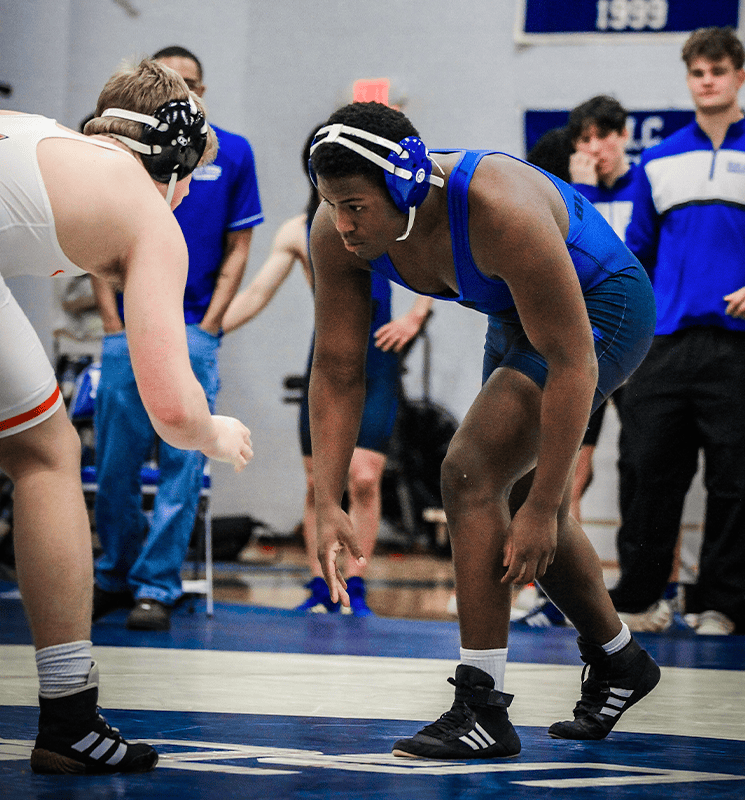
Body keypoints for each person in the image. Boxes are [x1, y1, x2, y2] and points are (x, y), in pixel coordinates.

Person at [306, 101, 660, 759]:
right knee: (501, 488)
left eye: (354, 205)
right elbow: (336, 367)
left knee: (470, 472)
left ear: (407, 184)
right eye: (330, 203)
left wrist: (547, 504)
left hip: (603, 306)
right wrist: (328, 498)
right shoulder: (333, 232)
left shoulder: (499, 209)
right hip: (513, 308)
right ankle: (619, 659)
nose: (343, 224)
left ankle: (482, 707)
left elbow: (573, 362)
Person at [0, 58, 252, 774]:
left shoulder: (38, 135)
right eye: (192, 181)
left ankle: (71, 717)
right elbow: (171, 411)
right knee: (44, 458)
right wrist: (214, 431)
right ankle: (69, 716)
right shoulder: (145, 212)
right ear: (173, 162)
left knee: (39, 443)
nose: (184, 199)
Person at [609, 27, 745, 636]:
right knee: (646, 473)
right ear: (688, 79)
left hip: (743, 349)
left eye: (718, 69)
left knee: (734, 481)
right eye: (698, 72)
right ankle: (638, 601)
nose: (708, 80)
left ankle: (719, 604)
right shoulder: (659, 160)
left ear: (740, 76)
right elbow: (634, 253)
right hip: (662, 347)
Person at [223, 128, 432, 616]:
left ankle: (354, 586)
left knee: (363, 478)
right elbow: (255, 294)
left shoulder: (391, 222)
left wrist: (415, 316)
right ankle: (322, 586)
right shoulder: (300, 230)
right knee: (320, 482)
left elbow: (436, 264)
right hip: (329, 361)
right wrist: (208, 330)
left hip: (377, 362)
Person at [90, 46, 263, 632]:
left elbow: (241, 247)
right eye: (173, 85)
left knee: (181, 460)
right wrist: (112, 322)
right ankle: (113, 572)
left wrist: (212, 323)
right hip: (122, 327)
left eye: (191, 85)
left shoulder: (228, 152)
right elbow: (95, 238)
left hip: (191, 326)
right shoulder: (107, 159)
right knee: (114, 461)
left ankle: (155, 584)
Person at [565, 96, 637, 525]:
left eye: (603, 136)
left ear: (624, 135)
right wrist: (584, 192)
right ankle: (553, 586)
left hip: (641, 344)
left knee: (648, 469)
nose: (594, 148)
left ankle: (657, 583)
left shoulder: (647, 187)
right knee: (571, 472)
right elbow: (573, 261)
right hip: (588, 343)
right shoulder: (572, 197)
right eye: (584, 139)